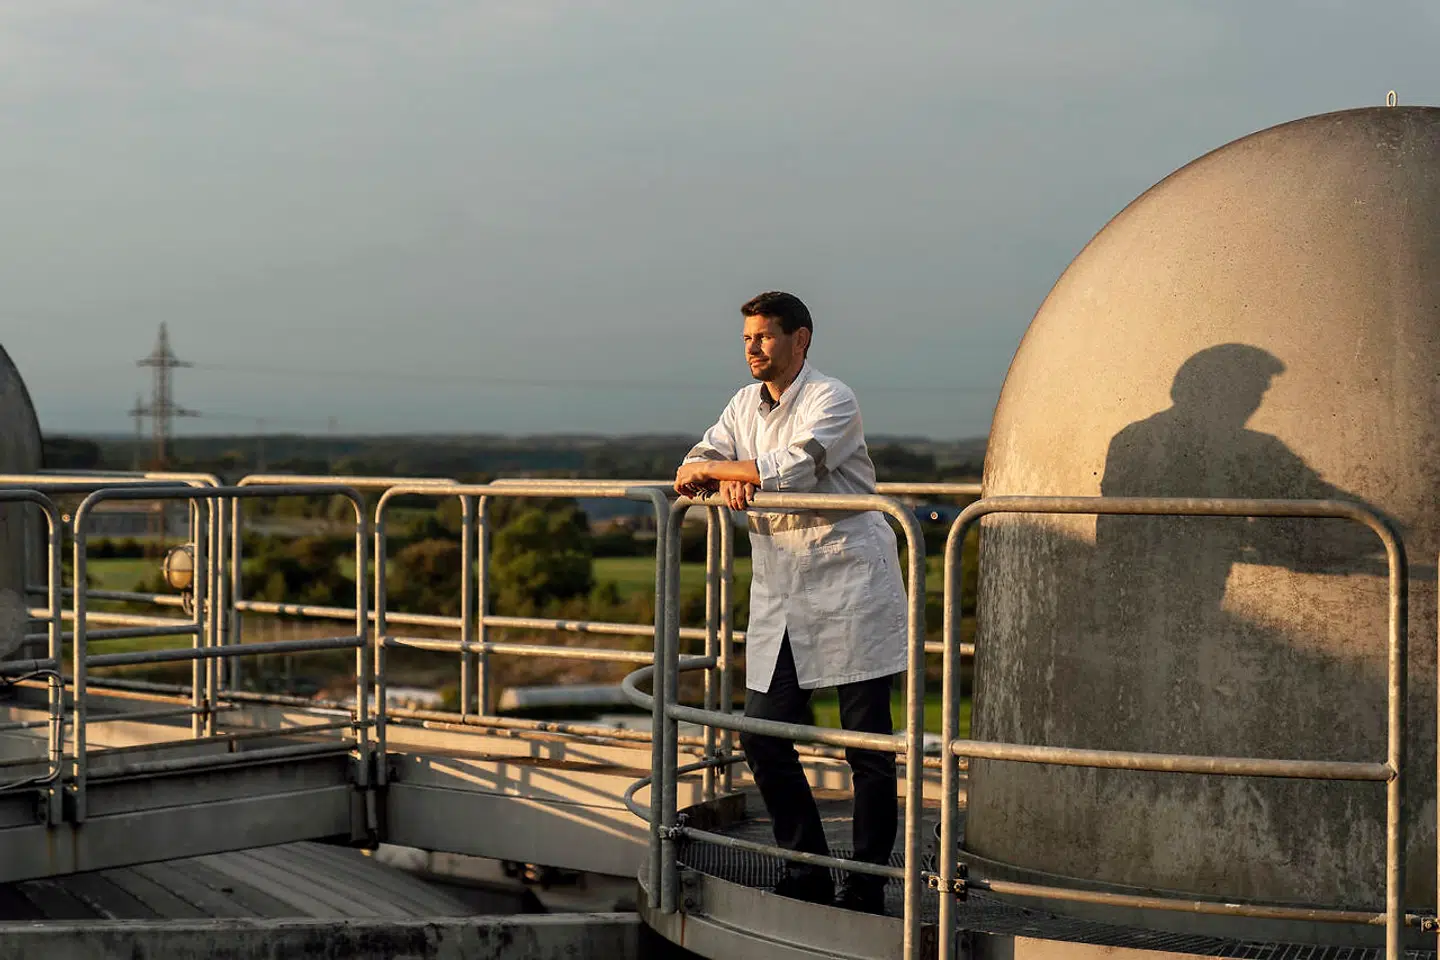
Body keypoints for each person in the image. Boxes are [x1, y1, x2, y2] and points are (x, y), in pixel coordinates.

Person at [673, 291, 908, 915]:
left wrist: (728, 474)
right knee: (763, 733)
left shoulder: (833, 398)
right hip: (783, 592)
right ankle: (804, 865)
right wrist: (716, 469)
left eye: (765, 336)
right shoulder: (741, 404)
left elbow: (792, 469)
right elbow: (698, 459)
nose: (752, 348)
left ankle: (864, 885)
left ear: (800, 339)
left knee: (868, 749)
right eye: (747, 338)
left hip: (850, 584)